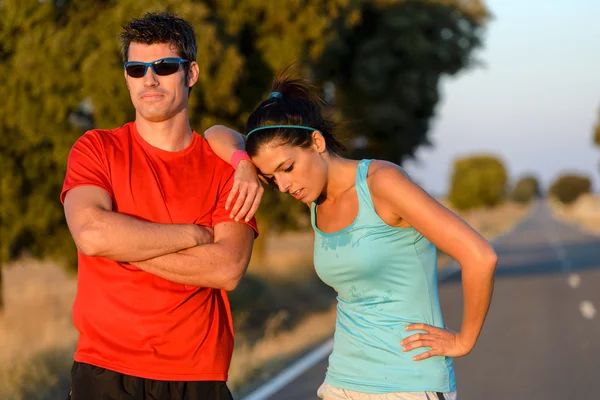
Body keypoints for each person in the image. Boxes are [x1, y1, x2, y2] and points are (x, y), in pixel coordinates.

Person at [204, 71, 498, 399]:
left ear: (317, 142)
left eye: (286, 169)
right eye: (271, 178)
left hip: (408, 384)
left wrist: (463, 340)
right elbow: (213, 134)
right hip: (342, 383)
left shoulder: (382, 183)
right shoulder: (315, 197)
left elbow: (480, 256)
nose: (283, 186)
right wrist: (243, 165)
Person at [61, 12, 260, 400]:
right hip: (105, 372)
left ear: (192, 74)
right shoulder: (96, 149)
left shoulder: (227, 166)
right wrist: (195, 235)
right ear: (126, 77)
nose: (149, 79)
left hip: (198, 376)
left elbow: (227, 267)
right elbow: (92, 234)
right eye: (136, 69)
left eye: (165, 66)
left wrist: (124, 247)